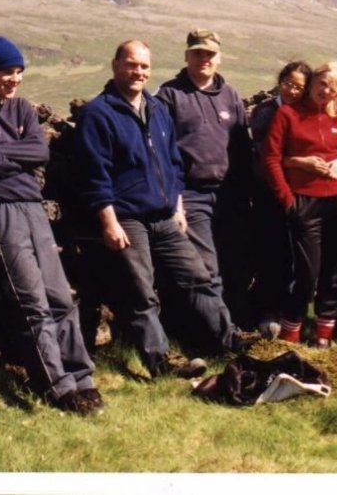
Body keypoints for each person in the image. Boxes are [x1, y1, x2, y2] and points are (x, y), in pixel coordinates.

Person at [73, 40, 248, 379]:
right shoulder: (98, 114)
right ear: (115, 65)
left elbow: (172, 162)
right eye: (131, 64)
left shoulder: (156, 108)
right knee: (141, 291)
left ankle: (228, 340)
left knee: (198, 277)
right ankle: (161, 362)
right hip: (127, 218)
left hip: (165, 216)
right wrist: (109, 222)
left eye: (144, 66)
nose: (138, 72)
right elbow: (95, 174)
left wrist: (177, 206)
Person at [0, 36, 102, 415]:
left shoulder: (23, 109)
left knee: (60, 297)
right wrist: (12, 155)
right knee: (30, 301)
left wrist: (0, 151)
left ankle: (82, 378)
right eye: (7, 71)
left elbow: (40, 150)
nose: (14, 79)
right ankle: (57, 387)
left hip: (32, 208)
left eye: (19, 71)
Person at [156, 29, 254, 327]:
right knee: (206, 267)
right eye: (197, 53)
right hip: (191, 194)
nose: (204, 59)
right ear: (187, 56)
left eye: (209, 54)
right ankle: (220, 335)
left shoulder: (230, 95)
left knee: (235, 262)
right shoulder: (169, 95)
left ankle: (239, 325)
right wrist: (175, 199)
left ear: (219, 57)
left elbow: (242, 148)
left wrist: (245, 194)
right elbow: (161, 151)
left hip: (228, 195)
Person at [262, 61, 337, 348]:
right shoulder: (288, 114)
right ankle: (291, 332)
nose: (325, 90)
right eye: (322, 83)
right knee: (307, 273)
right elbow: (271, 158)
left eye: (333, 87)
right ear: (313, 82)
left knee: (334, 272)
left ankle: (324, 335)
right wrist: (288, 199)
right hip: (304, 201)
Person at [248, 60, 312, 338]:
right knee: (270, 253)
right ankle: (267, 311)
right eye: (288, 84)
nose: (292, 91)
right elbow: (266, 155)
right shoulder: (265, 112)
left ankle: (289, 312)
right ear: (280, 81)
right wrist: (295, 161)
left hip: (300, 193)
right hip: (267, 193)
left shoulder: (306, 113)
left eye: (299, 87)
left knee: (294, 255)